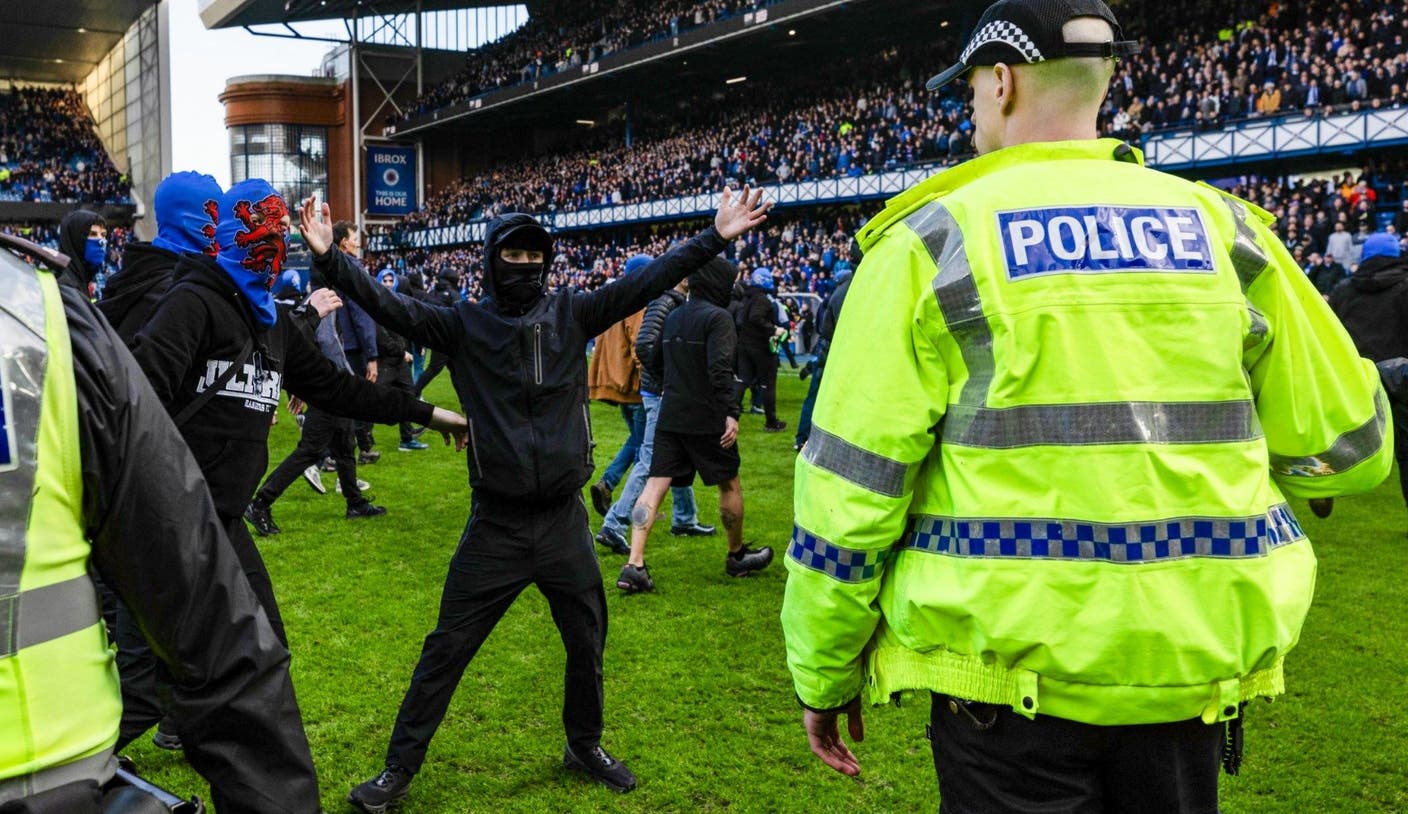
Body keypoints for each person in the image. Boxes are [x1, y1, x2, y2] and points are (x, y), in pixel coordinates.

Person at [780, 3, 1391, 813]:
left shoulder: (930, 240)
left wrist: (823, 670)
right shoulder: (1229, 231)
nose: (968, 111)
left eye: (968, 91)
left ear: (1000, 82)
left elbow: (850, 491)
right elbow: (1352, 446)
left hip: (1005, 687)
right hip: (1187, 673)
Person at [303, 186, 770, 812]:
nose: (524, 265)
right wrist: (332, 259)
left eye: (534, 254)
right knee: (447, 649)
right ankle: (396, 771)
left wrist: (714, 237)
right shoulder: (463, 325)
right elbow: (389, 306)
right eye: (512, 253)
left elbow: (648, 280)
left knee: (587, 640)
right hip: (495, 525)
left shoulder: (572, 313)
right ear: (493, 257)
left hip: (562, 524)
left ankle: (584, 744)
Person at [0, 234, 321, 813]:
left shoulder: (41, 317)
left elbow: (225, 653)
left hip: (57, 771)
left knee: (227, 643)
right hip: (51, 771)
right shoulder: (48, 316)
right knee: (155, 674)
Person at [129, 178, 466, 647]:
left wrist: (427, 413)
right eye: (262, 226)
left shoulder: (273, 324)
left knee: (258, 656)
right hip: (176, 518)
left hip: (220, 520)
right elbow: (140, 396)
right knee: (169, 674)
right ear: (229, 231)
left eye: (282, 229)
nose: (275, 239)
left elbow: (338, 389)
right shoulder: (194, 302)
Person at [94, 170, 223, 753]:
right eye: (218, 214)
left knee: (167, 605)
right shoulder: (173, 290)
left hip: (127, 464)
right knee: (151, 613)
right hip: (151, 466)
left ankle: (173, 718)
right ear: (198, 219)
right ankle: (88, 754)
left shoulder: (135, 278)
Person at [617, 256, 775, 593]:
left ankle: (634, 564)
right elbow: (720, 371)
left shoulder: (673, 315)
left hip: (672, 413)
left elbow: (654, 358)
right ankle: (736, 556)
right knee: (729, 484)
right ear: (718, 282)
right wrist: (731, 412)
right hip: (706, 415)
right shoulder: (718, 318)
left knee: (655, 486)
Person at [246, 272, 390, 533]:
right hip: (330, 387)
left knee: (345, 446)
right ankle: (261, 502)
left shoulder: (316, 297)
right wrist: (345, 379)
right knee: (311, 450)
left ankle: (355, 503)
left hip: (328, 385)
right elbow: (326, 342)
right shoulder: (324, 296)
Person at [595, 274, 715, 555]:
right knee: (650, 460)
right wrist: (671, 375)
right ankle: (614, 523)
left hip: (661, 392)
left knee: (679, 452)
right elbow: (646, 346)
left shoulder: (670, 301)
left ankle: (685, 518)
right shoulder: (664, 302)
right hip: (660, 393)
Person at [1329, 232, 1408, 530]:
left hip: (1357, 379)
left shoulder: (1343, 290)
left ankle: (1324, 482)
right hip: (1401, 379)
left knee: (1337, 437)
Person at [98, 171, 221, 344]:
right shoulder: (179, 295)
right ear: (189, 220)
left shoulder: (137, 276)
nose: (222, 227)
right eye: (216, 215)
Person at [586, 254, 650, 515]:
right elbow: (640, 345)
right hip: (636, 387)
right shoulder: (638, 301)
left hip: (619, 386)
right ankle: (620, 493)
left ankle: (615, 488)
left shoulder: (616, 298)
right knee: (645, 447)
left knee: (638, 441)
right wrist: (649, 380)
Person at [332, 221, 384, 465]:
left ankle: (343, 453)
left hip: (340, 343)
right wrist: (372, 356)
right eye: (354, 238)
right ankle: (341, 453)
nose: (357, 242)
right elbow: (362, 314)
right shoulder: (353, 269)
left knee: (345, 401)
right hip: (355, 347)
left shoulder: (332, 267)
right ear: (344, 242)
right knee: (359, 403)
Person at [376, 268, 428, 452]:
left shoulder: (398, 303)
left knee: (408, 395)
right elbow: (380, 336)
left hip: (400, 360)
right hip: (385, 361)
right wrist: (401, 352)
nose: (388, 283)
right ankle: (360, 438)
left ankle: (406, 439)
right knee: (370, 398)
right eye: (385, 280)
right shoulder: (376, 304)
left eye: (391, 280)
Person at [735, 267, 786, 432]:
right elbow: (756, 318)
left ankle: (729, 416)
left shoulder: (747, 298)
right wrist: (773, 329)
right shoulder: (762, 299)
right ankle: (771, 422)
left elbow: (742, 320)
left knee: (742, 381)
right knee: (767, 384)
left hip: (744, 345)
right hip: (761, 347)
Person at [54, 208, 106, 295]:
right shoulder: (64, 287)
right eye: (93, 234)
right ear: (75, 239)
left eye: (103, 235)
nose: (102, 241)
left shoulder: (83, 280)